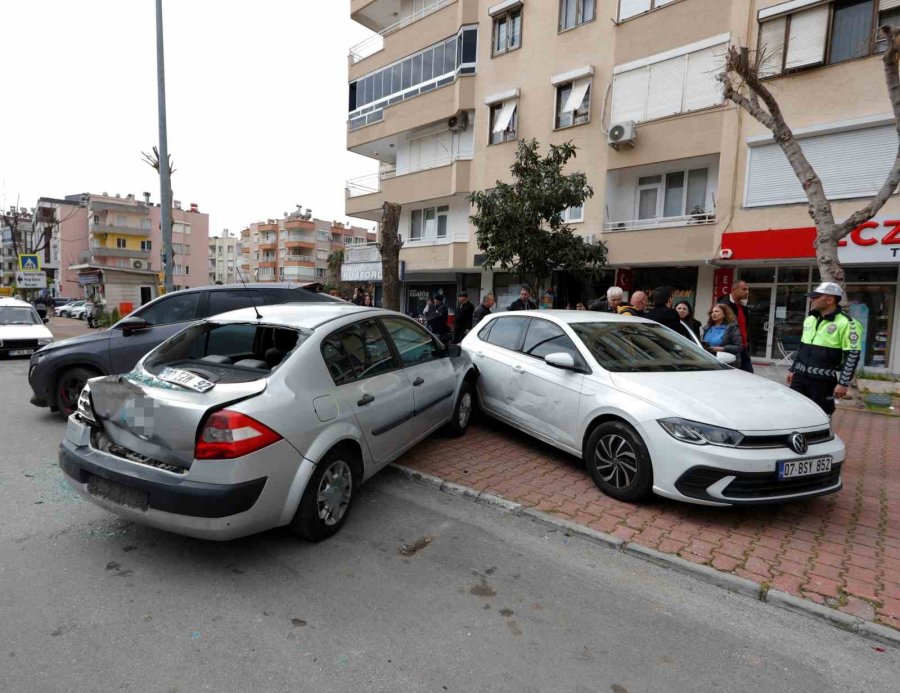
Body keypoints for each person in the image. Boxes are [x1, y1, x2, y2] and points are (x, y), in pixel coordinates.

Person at [787, 282, 862, 416]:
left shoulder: (848, 323)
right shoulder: (809, 320)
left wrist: (843, 383)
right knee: (794, 412)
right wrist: (793, 369)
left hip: (823, 382)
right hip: (799, 378)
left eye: (816, 297)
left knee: (821, 415)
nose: (812, 299)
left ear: (830, 299)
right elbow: (803, 347)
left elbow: (852, 355)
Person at [718, 280, 753, 373]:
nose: (747, 292)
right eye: (744, 289)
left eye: (747, 290)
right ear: (734, 289)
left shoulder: (742, 307)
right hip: (729, 350)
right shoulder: (724, 305)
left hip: (742, 348)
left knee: (749, 377)